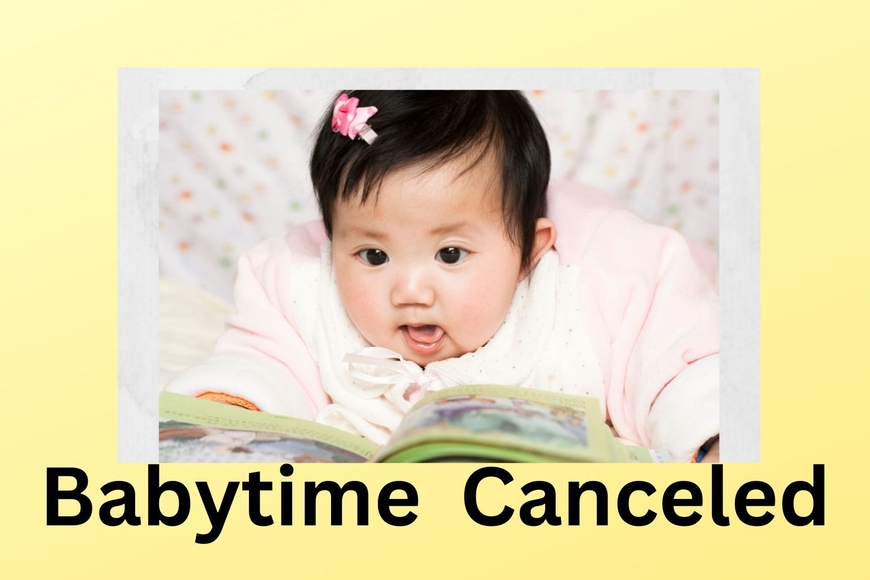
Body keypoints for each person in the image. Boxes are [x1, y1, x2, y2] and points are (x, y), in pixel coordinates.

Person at [165, 90, 720, 462]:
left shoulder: (598, 286)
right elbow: (265, 355)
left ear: (529, 252)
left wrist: (710, 435)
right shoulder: (304, 284)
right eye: (373, 257)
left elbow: (675, 360)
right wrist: (234, 405)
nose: (410, 292)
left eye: (451, 255)